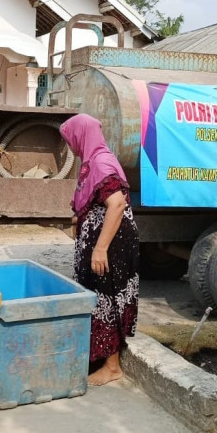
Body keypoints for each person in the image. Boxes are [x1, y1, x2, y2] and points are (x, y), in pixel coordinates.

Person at [59, 114, 139, 386]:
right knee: (96, 297)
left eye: (71, 140)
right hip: (102, 241)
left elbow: (117, 204)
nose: (71, 146)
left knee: (107, 299)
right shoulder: (91, 163)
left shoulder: (101, 162)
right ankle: (99, 356)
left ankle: (112, 366)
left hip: (111, 244)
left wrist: (100, 249)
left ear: (81, 136)